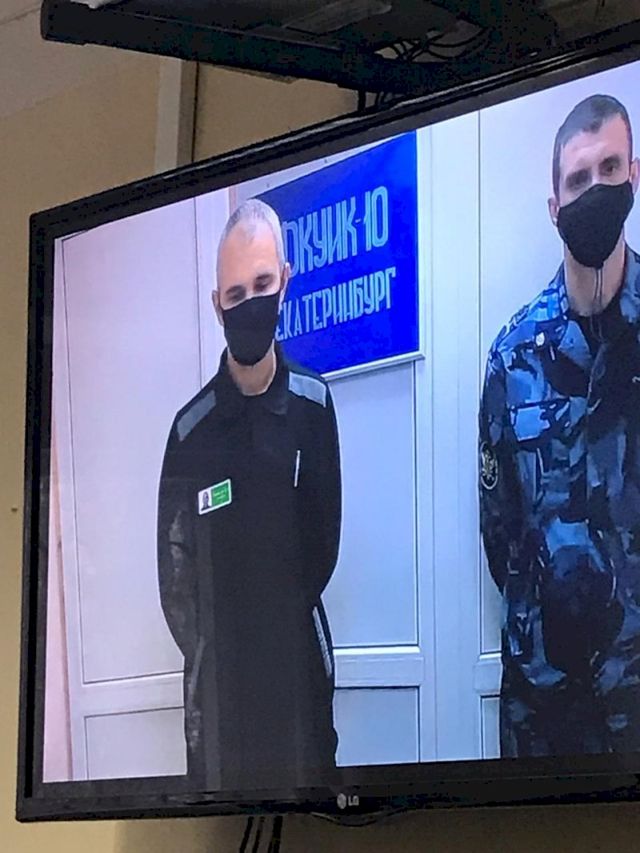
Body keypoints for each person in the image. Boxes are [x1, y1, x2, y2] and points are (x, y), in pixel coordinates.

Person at [157, 199, 342, 790]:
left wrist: (273, 632)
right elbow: (175, 579)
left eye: (262, 285)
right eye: (236, 294)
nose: (250, 303)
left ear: (284, 281)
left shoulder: (313, 406)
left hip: (297, 680)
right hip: (220, 697)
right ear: (218, 305)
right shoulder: (190, 433)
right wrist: (222, 650)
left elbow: (324, 544)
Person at [479, 94, 640, 757]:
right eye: (578, 179)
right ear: (554, 207)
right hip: (543, 711)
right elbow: (500, 533)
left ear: (634, 176)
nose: (595, 189)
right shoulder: (513, 353)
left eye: (610, 169)